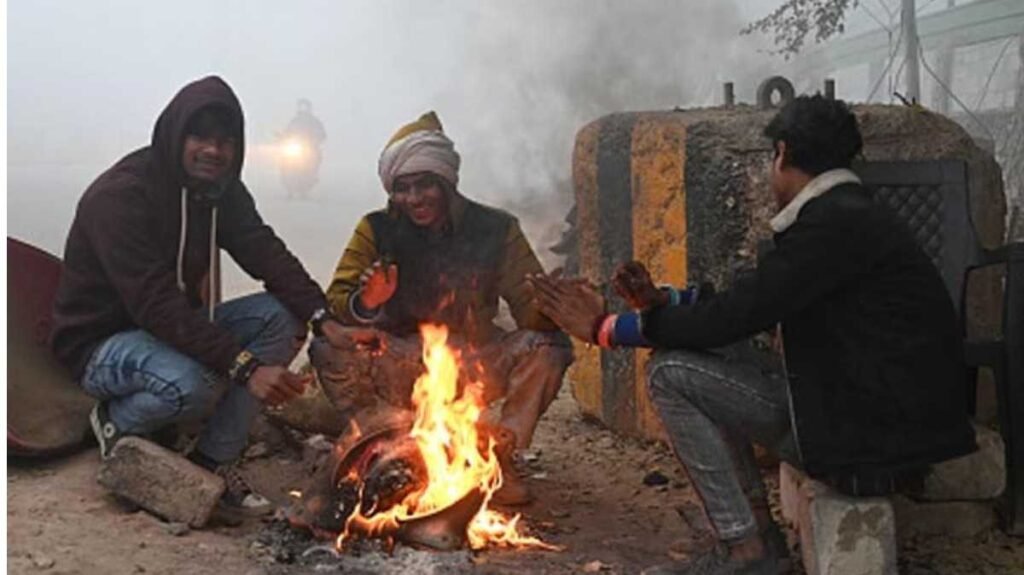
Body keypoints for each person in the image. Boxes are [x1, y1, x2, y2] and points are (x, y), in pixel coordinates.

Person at [530, 95, 977, 574]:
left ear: (782, 154)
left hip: (869, 436)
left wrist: (604, 330)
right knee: (706, 353)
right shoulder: (849, 216)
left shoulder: (832, 226)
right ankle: (758, 536)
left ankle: (743, 548)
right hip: (873, 414)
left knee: (670, 374)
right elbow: (751, 302)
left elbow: (736, 315)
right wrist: (663, 303)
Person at [50, 76, 357, 519]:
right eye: (200, 138)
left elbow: (264, 252)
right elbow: (154, 303)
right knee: (194, 385)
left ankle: (212, 459)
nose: (213, 150)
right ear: (176, 136)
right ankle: (117, 420)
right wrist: (245, 368)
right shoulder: (120, 197)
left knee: (282, 316)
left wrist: (324, 318)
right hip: (102, 344)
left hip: (171, 334)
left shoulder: (220, 192)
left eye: (225, 141)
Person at [313, 111, 573, 505]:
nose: (414, 198)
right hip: (398, 360)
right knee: (327, 347)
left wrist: (555, 305)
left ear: (447, 182)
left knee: (549, 348)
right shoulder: (376, 229)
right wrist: (368, 301)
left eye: (425, 185)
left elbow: (528, 309)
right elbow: (337, 305)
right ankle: (380, 445)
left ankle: (499, 460)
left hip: (477, 362)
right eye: (403, 189)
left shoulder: (496, 228)